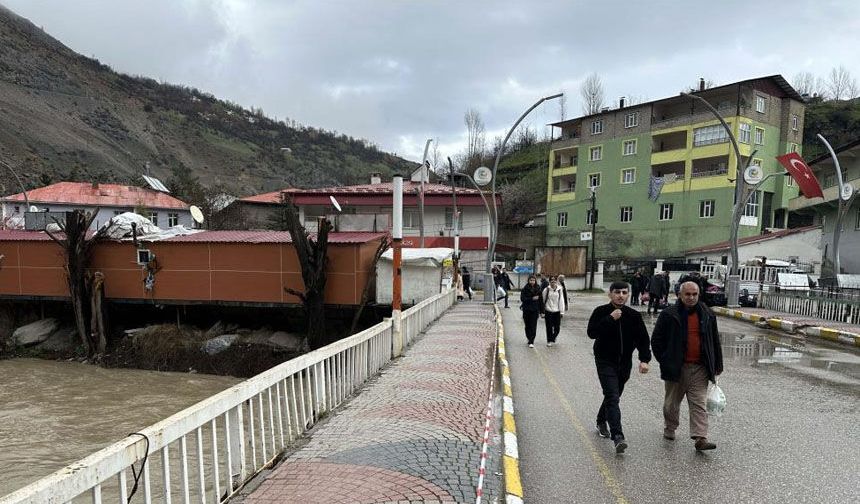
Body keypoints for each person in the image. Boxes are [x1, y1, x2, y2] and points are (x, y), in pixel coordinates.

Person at [651, 281, 724, 452]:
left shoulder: (707, 314)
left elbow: (714, 341)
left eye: (694, 294)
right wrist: (665, 360)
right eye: (688, 294)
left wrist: (717, 364)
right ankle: (670, 428)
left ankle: (700, 437)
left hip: (700, 368)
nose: (691, 298)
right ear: (680, 295)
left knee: (699, 403)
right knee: (671, 404)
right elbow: (656, 340)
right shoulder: (669, 315)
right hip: (676, 367)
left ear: (699, 295)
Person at [587, 281, 651, 454]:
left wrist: (644, 359)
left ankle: (601, 420)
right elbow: (592, 332)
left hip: (624, 363)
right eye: (617, 292)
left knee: (613, 395)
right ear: (610, 294)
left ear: (628, 294)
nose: (620, 295)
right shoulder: (601, 312)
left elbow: (643, 340)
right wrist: (610, 319)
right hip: (605, 360)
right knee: (612, 396)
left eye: (624, 292)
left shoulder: (634, 316)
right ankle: (618, 437)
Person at [541, 276, 566, 347]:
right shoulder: (546, 290)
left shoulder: (559, 290)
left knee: (557, 328)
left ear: (556, 281)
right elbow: (543, 300)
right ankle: (549, 341)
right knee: (548, 327)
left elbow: (561, 300)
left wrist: (562, 311)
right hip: (548, 310)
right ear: (549, 282)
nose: (553, 281)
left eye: (554, 280)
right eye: (551, 280)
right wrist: (542, 311)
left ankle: (553, 337)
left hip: (557, 311)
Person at [520, 275, 543, 348]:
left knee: (533, 325)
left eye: (533, 280)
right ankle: (528, 337)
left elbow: (541, 301)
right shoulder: (525, 289)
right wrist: (532, 298)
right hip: (526, 309)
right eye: (531, 280)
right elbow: (523, 299)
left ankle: (531, 340)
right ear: (528, 281)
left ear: (535, 281)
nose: (532, 282)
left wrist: (542, 311)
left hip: (535, 310)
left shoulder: (538, 289)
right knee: (527, 325)